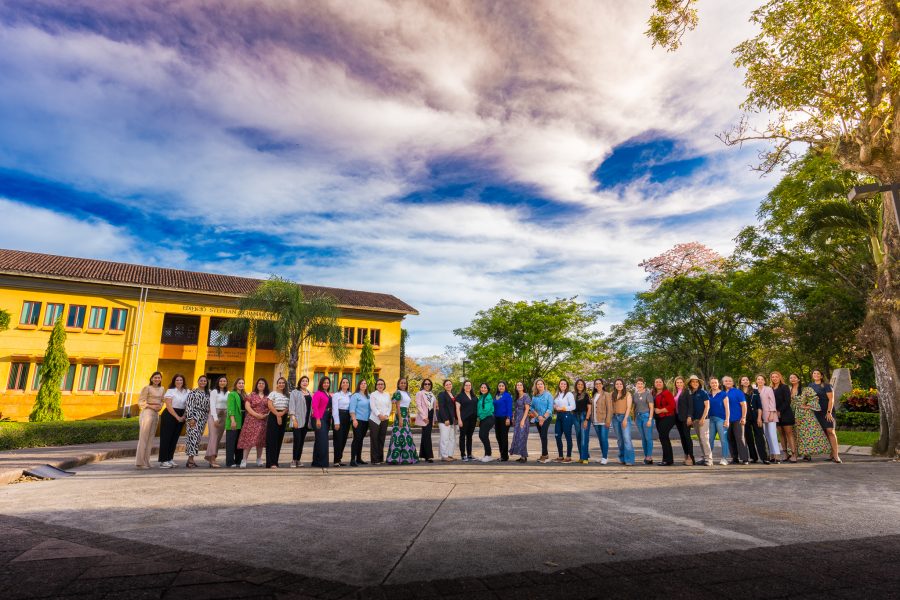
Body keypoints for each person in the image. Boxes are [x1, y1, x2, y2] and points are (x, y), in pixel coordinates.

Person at [789, 373, 831, 460]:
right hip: (792, 413)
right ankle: (796, 453)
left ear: (798, 379)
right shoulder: (789, 389)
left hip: (805, 415)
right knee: (795, 433)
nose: (792, 379)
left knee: (805, 434)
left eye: (794, 377)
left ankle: (807, 453)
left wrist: (807, 406)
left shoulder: (805, 389)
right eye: (791, 378)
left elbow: (815, 398)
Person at [810, 369, 842, 463]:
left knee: (830, 431)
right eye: (814, 373)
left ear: (821, 376)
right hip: (816, 412)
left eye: (818, 373)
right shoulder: (810, 386)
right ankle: (831, 454)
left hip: (827, 411)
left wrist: (829, 412)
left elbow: (831, 399)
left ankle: (836, 455)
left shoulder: (827, 386)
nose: (816, 375)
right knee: (824, 432)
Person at [136, 371, 165, 469]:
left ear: (161, 379)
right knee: (143, 438)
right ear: (151, 379)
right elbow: (141, 402)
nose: (157, 379)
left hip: (156, 414)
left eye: (159, 378)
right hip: (147, 413)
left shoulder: (162, 389)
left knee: (150, 438)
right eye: (155, 377)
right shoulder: (147, 388)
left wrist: (160, 406)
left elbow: (162, 400)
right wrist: (152, 407)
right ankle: (140, 463)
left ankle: (147, 461)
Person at [237, 378, 269, 468]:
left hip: (263, 420)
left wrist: (265, 415)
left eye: (263, 383)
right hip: (251, 420)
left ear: (265, 385)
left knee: (260, 441)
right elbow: (247, 406)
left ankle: (259, 459)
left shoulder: (268, 396)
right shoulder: (252, 394)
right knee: (248, 440)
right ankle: (244, 460)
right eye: (259, 383)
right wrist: (256, 415)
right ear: (257, 385)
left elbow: (271, 406)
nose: (261, 385)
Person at [387, 378, 419, 464]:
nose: (403, 384)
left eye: (405, 383)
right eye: (401, 383)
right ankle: (396, 458)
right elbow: (397, 407)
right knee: (398, 436)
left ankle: (407, 458)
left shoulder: (407, 393)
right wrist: (400, 419)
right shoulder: (398, 393)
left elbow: (407, 406)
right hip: (400, 415)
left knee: (406, 436)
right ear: (398, 384)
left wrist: (408, 417)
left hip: (406, 415)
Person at [158, 374, 188, 468]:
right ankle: (163, 461)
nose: (179, 382)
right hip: (170, 415)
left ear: (183, 381)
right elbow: (168, 406)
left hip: (182, 415)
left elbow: (188, 404)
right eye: (177, 380)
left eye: (181, 380)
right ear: (174, 381)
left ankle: (170, 459)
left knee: (174, 438)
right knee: (166, 438)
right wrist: (177, 417)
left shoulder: (187, 391)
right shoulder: (170, 391)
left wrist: (184, 416)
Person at [740, 375, 769, 464]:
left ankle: (764, 458)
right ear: (740, 382)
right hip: (745, 417)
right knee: (749, 438)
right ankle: (754, 457)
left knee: (760, 437)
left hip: (756, 416)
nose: (745, 381)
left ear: (749, 381)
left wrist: (759, 418)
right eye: (743, 380)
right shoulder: (739, 392)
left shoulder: (755, 391)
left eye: (747, 380)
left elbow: (759, 406)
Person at [184, 375, 210, 468]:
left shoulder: (208, 393)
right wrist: (190, 418)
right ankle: (190, 460)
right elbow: (189, 406)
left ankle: (190, 459)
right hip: (194, 416)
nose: (203, 382)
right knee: (192, 438)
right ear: (198, 381)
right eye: (201, 380)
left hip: (203, 417)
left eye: (204, 381)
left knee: (197, 438)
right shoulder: (193, 392)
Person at [723, 376, 749, 465]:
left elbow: (744, 405)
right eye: (726, 381)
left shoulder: (738, 392)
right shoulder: (722, 393)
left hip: (738, 419)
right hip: (727, 420)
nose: (728, 382)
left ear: (733, 383)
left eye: (730, 381)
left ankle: (745, 459)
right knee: (730, 439)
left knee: (740, 438)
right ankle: (735, 458)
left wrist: (743, 417)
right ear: (723, 383)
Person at [772, 371, 797, 462]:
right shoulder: (771, 388)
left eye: (776, 376)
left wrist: (780, 411)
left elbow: (788, 401)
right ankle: (786, 454)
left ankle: (794, 454)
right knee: (781, 435)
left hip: (786, 413)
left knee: (789, 434)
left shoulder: (784, 387)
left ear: (780, 377)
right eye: (773, 377)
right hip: (775, 414)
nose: (774, 378)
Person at [609, 378, 635, 466]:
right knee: (620, 439)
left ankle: (629, 460)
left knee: (626, 439)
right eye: (617, 384)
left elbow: (629, 407)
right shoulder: (612, 394)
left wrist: (625, 419)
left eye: (620, 384)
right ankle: (622, 458)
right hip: (615, 418)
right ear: (615, 385)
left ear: (623, 385)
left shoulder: (627, 394)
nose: (619, 385)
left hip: (624, 417)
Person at [205, 375, 229, 468]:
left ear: (226, 383)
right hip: (214, 415)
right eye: (221, 381)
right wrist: (215, 418)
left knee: (218, 438)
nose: (222, 382)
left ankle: (212, 457)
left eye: (224, 381)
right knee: (213, 437)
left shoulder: (228, 393)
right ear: (218, 382)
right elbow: (212, 405)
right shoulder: (214, 392)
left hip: (224, 416)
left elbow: (228, 405)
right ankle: (212, 459)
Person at [687, 375, 712, 466]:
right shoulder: (691, 394)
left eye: (696, 382)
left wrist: (703, 418)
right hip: (695, 420)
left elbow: (707, 406)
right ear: (690, 384)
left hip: (704, 419)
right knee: (701, 439)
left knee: (704, 439)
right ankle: (704, 457)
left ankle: (709, 459)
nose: (695, 383)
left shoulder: (703, 392)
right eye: (693, 382)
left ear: (699, 383)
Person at [289, 375, 313, 467]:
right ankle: (293, 460)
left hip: (306, 421)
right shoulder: (295, 392)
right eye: (303, 381)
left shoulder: (309, 393)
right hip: (297, 421)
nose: (305, 382)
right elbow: (292, 406)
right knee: (297, 441)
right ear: (300, 382)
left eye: (306, 381)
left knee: (302, 441)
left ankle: (298, 460)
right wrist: (293, 419)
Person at [265, 377, 290, 468]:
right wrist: (277, 415)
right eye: (280, 383)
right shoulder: (273, 393)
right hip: (273, 415)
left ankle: (275, 461)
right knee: (272, 440)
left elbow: (288, 407)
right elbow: (269, 405)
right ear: (277, 384)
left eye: (283, 383)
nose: (281, 384)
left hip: (283, 415)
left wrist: (282, 414)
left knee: (279, 439)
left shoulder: (287, 394)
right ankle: (271, 462)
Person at [757, 374, 781, 464]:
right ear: (756, 381)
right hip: (761, 416)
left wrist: (771, 414)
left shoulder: (768, 389)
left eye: (762, 379)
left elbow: (772, 402)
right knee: (766, 436)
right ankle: (771, 455)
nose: (760, 381)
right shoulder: (755, 390)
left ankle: (777, 455)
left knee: (772, 435)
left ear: (764, 381)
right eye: (758, 379)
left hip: (770, 415)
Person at [653, 378, 677, 466]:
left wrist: (660, 410)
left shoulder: (667, 393)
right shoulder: (653, 393)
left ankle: (667, 460)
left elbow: (672, 405)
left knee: (663, 436)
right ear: (654, 384)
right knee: (664, 437)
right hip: (658, 418)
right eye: (656, 382)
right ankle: (668, 459)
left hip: (668, 417)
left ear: (663, 383)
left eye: (660, 382)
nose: (658, 383)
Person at [529, 379, 554, 463]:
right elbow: (531, 407)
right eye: (538, 384)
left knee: (543, 435)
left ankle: (544, 455)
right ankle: (545, 454)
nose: (540, 385)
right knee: (541, 436)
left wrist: (543, 418)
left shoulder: (548, 395)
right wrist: (538, 416)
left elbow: (550, 408)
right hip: (537, 418)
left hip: (546, 417)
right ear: (536, 386)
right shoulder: (534, 396)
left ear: (544, 385)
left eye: (541, 384)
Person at [707, 377, 730, 466]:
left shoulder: (723, 394)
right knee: (710, 439)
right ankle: (708, 457)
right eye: (712, 383)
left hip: (721, 419)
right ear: (710, 384)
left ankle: (724, 458)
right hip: (711, 419)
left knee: (723, 439)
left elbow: (727, 408)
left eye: (715, 383)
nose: (714, 384)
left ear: (718, 384)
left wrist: (727, 420)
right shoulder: (708, 395)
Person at [368, 378, 392, 464]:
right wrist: (379, 415)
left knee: (382, 439)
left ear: (384, 385)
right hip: (374, 419)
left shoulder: (387, 394)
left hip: (385, 419)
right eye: (378, 384)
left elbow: (389, 406)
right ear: (376, 386)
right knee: (374, 439)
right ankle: (374, 460)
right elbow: (373, 406)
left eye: (382, 384)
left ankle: (380, 459)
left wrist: (386, 415)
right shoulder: (373, 394)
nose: (380, 385)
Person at [311, 377, 332, 473]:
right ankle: (323, 463)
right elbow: (315, 406)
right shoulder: (318, 393)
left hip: (327, 418)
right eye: (324, 382)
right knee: (323, 441)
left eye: (328, 382)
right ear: (321, 383)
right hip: (319, 417)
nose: (326, 384)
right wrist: (318, 419)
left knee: (319, 440)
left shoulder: (328, 393)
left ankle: (316, 462)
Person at [632, 378, 655, 464]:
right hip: (638, 418)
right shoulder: (635, 395)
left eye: (641, 383)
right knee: (643, 438)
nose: (640, 385)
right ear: (636, 385)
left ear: (644, 385)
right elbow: (634, 407)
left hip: (646, 417)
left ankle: (649, 456)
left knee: (648, 438)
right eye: (638, 384)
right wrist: (634, 418)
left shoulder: (648, 394)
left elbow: (651, 408)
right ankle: (646, 456)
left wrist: (650, 419)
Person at [672, 376, 694, 465]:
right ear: (675, 384)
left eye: (681, 382)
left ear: (683, 383)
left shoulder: (687, 392)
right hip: (677, 418)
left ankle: (691, 457)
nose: (679, 384)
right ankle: (686, 455)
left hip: (685, 418)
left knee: (687, 437)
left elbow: (691, 405)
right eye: (677, 382)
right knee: (682, 437)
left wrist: (689, 417)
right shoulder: (675, 393)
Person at [331, 377, 353, 467]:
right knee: (338, 439)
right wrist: (336, 422)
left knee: (344, 439)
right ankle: (336, 460)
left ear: (349, 384)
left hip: (347, 417)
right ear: (340, 384)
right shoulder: (336, 395)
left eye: (347, 382)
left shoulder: (350, 395)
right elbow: (334, 409)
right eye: (343, 382)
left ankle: (339, 459)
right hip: (339, 416)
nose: (345, 384)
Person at [553, 379, 576, 463]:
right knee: (557, 436)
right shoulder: (557, 394)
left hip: (567, 415)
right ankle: (560, 456)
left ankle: (568, 456)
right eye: (561, 384)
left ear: (567, 386)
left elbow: (573, 406)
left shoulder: (569, 394)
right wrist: (554, 406)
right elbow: (555, 404)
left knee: (567, 436)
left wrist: (563, 408)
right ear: (559, 385)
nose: (563, 385)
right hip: (559, 416)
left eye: (564, 384)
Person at [349, 379, 371, 466]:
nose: (363, 385)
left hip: (366, 421)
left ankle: (359, 458)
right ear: (359, 385)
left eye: (365, 383)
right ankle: (352, 460)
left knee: (361, 439)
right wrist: (354, 419)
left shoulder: (368, 396)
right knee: (357, 439)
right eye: (362, 383)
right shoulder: (355, 396)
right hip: (357, 420)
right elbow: (352, 409)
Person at [590, 379, 612, 465]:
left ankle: (605, 457)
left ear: (602, 385)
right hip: (595, 421)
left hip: (604, 421)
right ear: (595, 386)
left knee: (604, 439)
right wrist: (592, 419)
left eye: (599, 383)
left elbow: (609, 408)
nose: (598, 385)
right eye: (596, 384)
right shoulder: (594, 395)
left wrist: (608, 420)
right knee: (600, 440)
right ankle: (603, 456)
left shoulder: (606, 394)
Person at [224, 378, 245, 468]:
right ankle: (230, 461)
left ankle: (238, 460)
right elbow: (231, 408)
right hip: (234, 418)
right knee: (231, 442)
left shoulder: (244, 395)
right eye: (239, 383)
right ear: (236, 384)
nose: (241, 384)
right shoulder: (232, 394)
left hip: (243, 419)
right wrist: (232, 420)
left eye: (242, 383)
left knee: (240, 441)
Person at [455, 380, 477, 462]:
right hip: (464, 419)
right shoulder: (459, 396)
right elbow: (457, 409)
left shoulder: (474, 396)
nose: (468, 386)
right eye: (466, 385)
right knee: (462, 436)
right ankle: (463, 455)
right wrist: (459, 420)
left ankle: (469, 454)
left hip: (473, 419)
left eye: (469, 385)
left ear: (471, 386)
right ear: (463, 386)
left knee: (470, 437)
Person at [436, 379, 458, 462]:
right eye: (447, 384)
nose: (449, 386)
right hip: (444, 420)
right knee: (444, 438)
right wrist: (445, 419)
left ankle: (449, 455)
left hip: (452, 420)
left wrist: (456, 418)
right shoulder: (442, 394)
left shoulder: (453, 394)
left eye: (450, 384)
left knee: (452, 438)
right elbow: (441, 407)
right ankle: (444, 456)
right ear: (444, 386)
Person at [415, 379, 436, 462]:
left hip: (430, 415)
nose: (427, 385)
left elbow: (433, 406)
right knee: (427, 435)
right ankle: (429, 456)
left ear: (431, 385)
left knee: (425, 435)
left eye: (429, 384)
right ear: (423, 385)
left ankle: (423, 455)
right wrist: (424, 417)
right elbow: (418, 405)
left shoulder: (432, 394)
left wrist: (433, 418)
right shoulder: (420, 393)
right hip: (425, 416)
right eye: (425, 384)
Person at [510, 381, 531, 462]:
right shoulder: (517, 396)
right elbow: (515, 408)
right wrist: (513, 417)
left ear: (523, 387)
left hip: (523, 418)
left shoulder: (526, 396)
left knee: (523, 437)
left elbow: (527, 409)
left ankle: (524, 456)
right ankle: (522, 455)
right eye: (517, 385)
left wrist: (523, 420)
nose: (519, 386)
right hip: (517, 418)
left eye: (520, 385)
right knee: (518, 437)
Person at [573, 379, 592, 464]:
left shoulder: (586, 395)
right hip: (575, 416)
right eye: (578, 384)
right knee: (579, 437)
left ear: (584, 386)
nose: (580, 386)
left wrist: (586, 419)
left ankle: (585, 458)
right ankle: (581, 457)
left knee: (584, 437)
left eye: (581, 384)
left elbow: (589, 408)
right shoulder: (573, 394)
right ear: (576, 385)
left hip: (584, 416)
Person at [493, 381, 513, 462]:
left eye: (502, 386)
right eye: (499, 386)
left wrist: (508, 418)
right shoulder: (496, 396)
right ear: (498, 387)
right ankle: (502, 454)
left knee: (503, 437)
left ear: (505, 387)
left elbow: (509, 407)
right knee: (498, 436)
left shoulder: (507, 395)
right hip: (496, 418)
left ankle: (505, 456)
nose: (501, 387)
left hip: (504, 418)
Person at [476, 383, 496, 462]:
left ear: (487, 389)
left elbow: (487, 410)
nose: (483, 389)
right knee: (484, 436)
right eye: (482, 387)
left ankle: (489, 455)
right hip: (483, 418)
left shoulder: (488, 397)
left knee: (482, 435)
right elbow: (479, 408)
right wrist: (478, 416)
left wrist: (480, 417)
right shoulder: (481, 397)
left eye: (485, 388)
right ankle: (486, 455)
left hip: (488, 418)